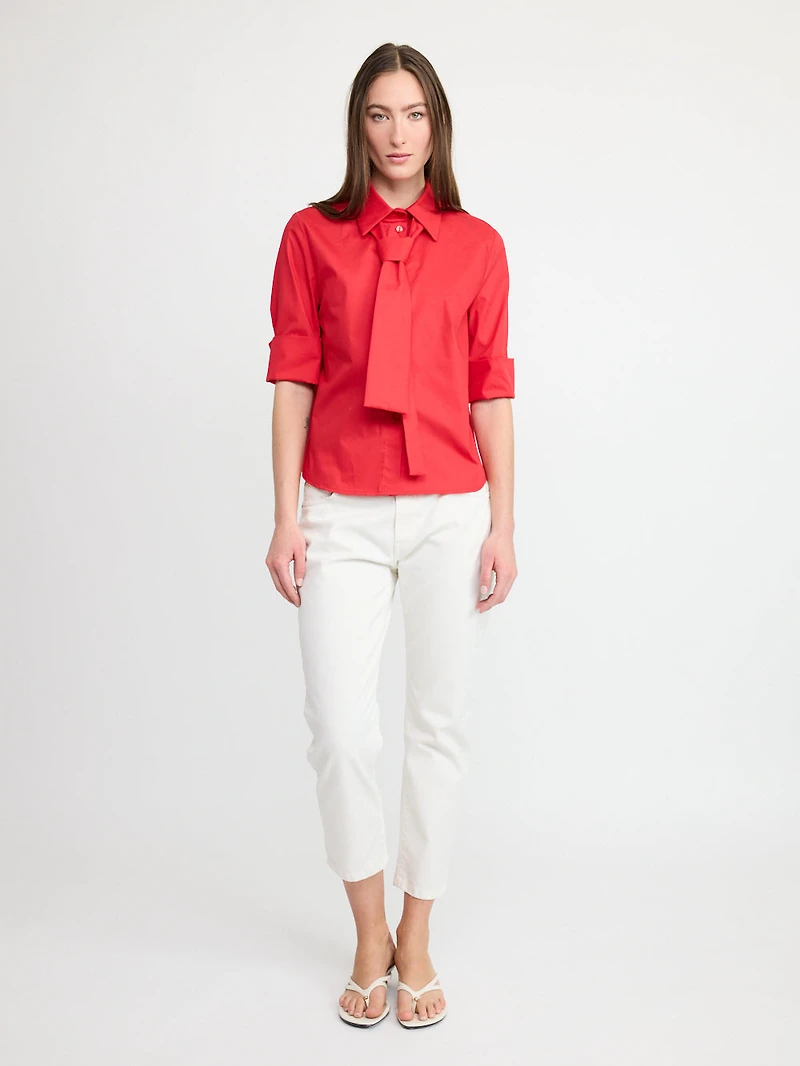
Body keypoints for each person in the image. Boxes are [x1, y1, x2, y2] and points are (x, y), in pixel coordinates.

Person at [264, 42, 517, 1029]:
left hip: (451, 509)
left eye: (413, 114)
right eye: (379, 114)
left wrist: (503, 522)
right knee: (339, 729)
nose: (397, 133)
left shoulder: (478, 245)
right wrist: (285, 515)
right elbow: (292, 377)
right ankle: (367, 930)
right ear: (358, 126)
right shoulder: (310, 235)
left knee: (436, 726)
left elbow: (491, 389)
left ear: (436, 125)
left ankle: (417, 934)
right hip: (340, 507)